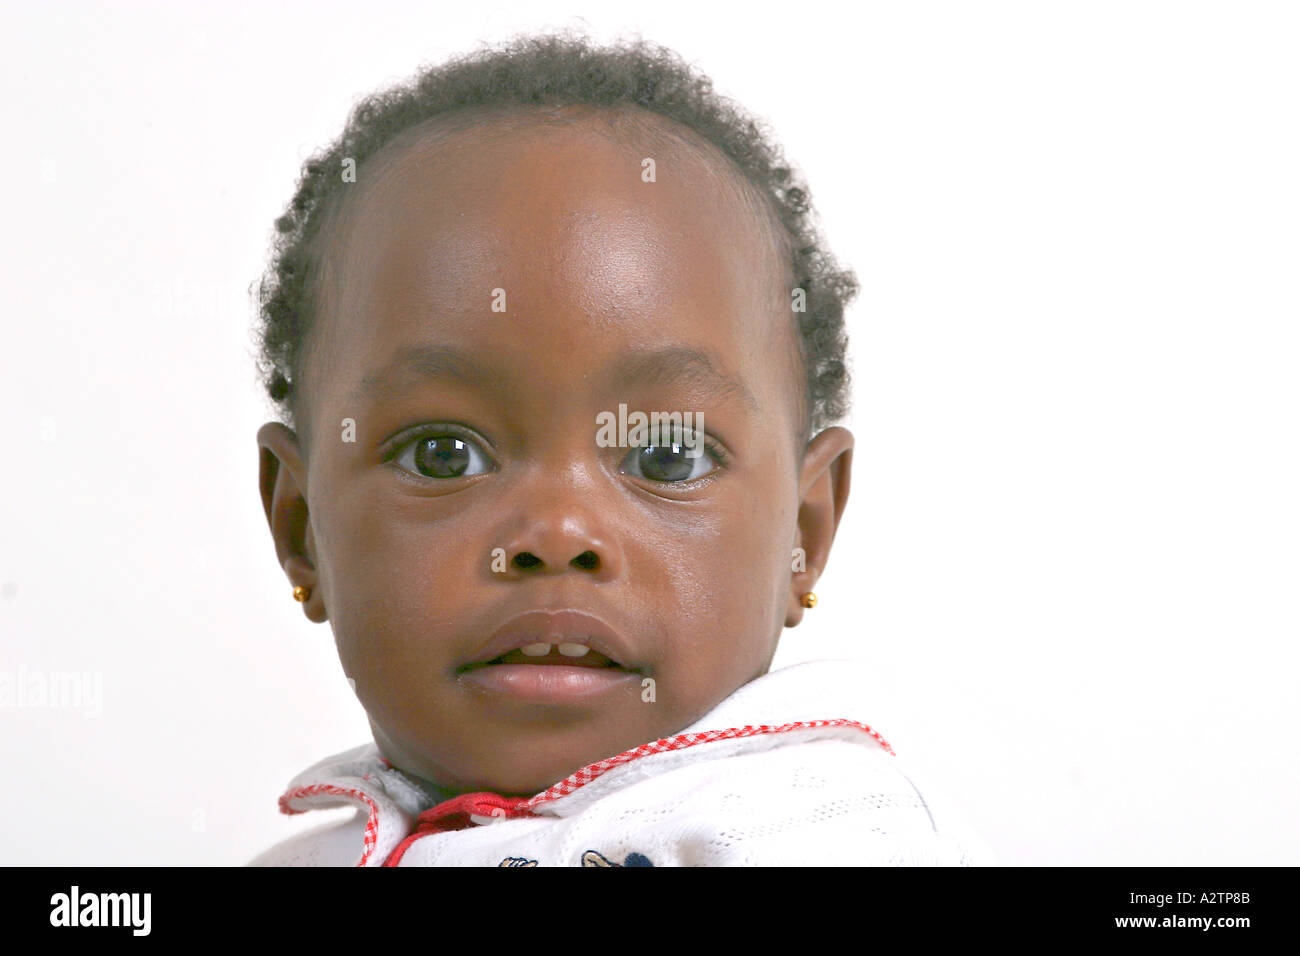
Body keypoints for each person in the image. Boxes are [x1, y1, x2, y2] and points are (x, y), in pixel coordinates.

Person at [249, 32, 994, 866]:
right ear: (302, 525)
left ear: (805, 532)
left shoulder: (824, 837)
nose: (557, 533)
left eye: (669, 458)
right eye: (443, 455)